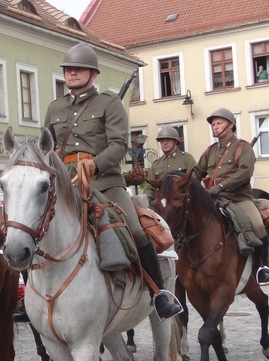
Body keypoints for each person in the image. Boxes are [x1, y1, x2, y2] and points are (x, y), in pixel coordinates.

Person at [44, 42, 183, 320]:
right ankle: (36, 299)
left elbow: (119, 145)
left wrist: (94, 164)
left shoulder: (109, 103)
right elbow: (48, 146)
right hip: (64, 182)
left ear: (93, 74)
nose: (72, 73)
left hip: (105, 182)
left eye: (79, 69)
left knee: (134, 228)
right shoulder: (55, 107)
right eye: (69, 69)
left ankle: (159, 294)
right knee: (37, 226)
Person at [191, 108, 269, 284]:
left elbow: (244, 173)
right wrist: (189, 187)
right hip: (212, 198)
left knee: (257, 225)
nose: (215, 127)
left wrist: (220, 186)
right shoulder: (210, 151)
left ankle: (262, 266)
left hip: (238, 198)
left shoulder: (243, 147)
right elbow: (197, 171)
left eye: (218, 123)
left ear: (230, 125)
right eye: (213, 124)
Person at [142, 126, 197, 204]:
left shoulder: (186, 159)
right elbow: (149, 187)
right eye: (161, 141)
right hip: (160, 204)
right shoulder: (156, 164)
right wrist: (147, 201)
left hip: (181, 203)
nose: (164, 143)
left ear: (175, 142)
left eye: (168, 140)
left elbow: (193, 181)